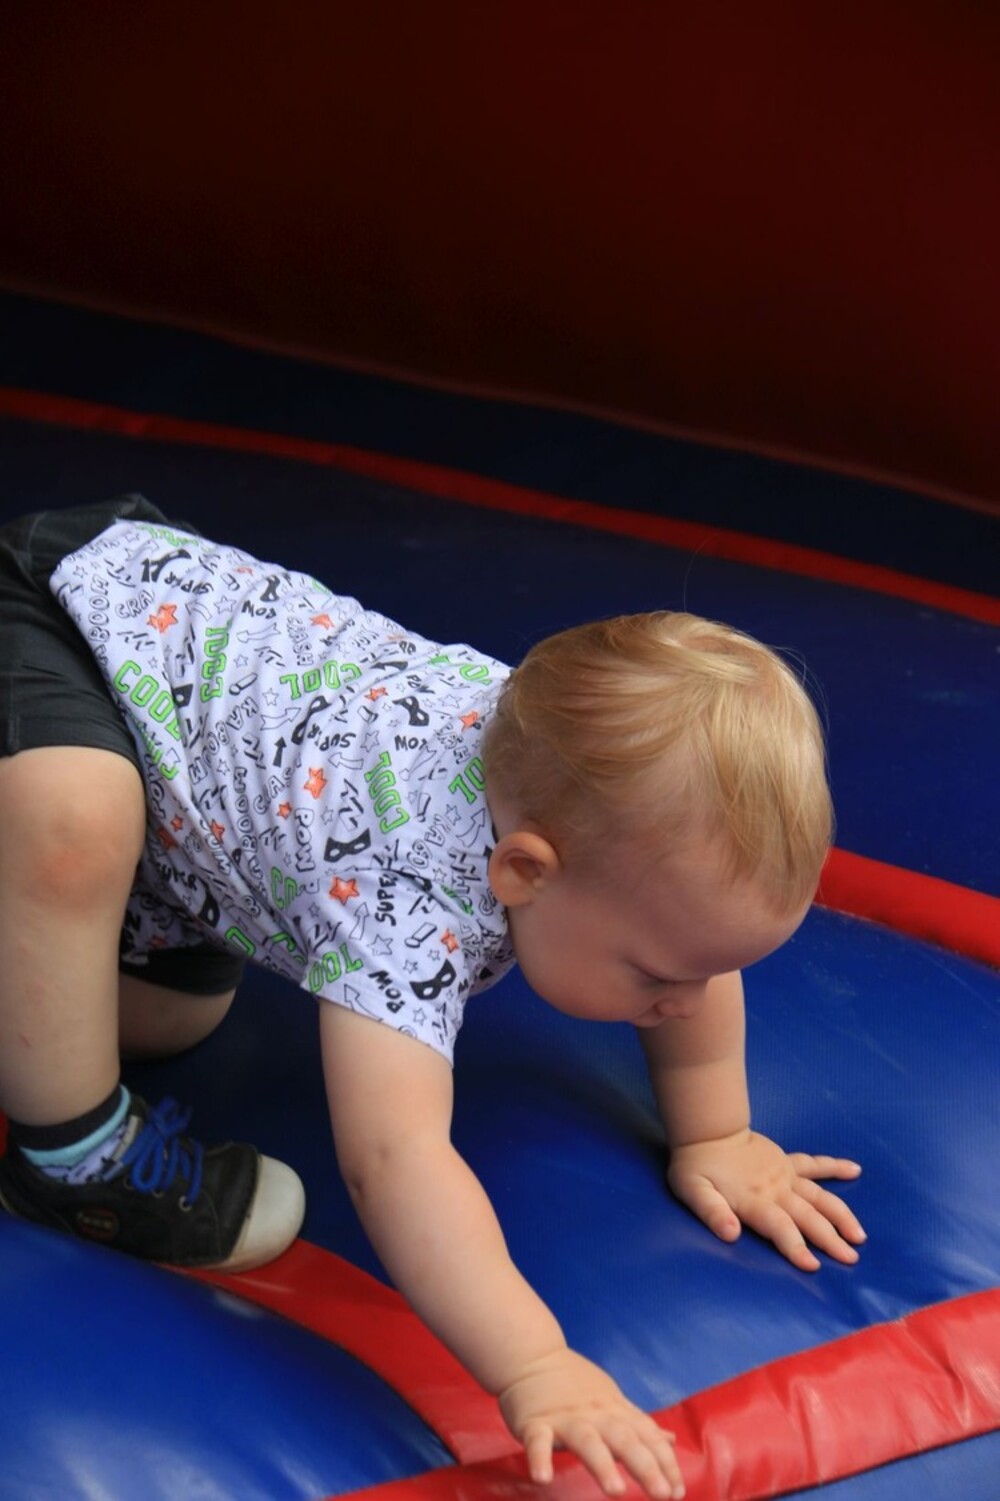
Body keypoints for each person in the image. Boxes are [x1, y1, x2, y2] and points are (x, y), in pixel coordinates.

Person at [0, 496, 866, 1500]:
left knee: (160, 1020)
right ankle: (72, 1161)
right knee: (71, 822)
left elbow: (695, 957)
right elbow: (395, 1158)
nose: (686, 1001)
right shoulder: (404, 898)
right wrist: (535, 1362)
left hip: (172, 765)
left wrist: (717, 1132)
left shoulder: (572, 778)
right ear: (523, 873)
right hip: (66, 616)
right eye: (657, 976)